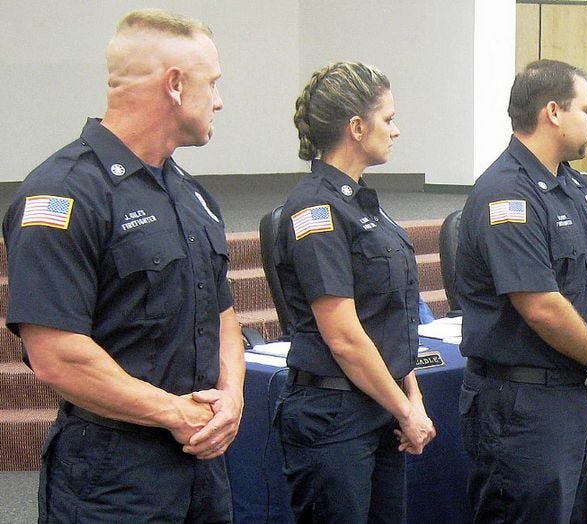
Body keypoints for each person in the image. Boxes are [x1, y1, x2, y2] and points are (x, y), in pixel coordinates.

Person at [2, 9, 243, 521]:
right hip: (113, 476)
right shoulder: (64, 192)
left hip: (202, 461)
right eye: (213, 83)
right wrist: (175, 412)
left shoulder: (189, 194)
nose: (219, 100)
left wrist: (233, 396)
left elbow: (221, 312)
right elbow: (56, 356)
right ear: (175, 85)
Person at [457, 59, 587, 523]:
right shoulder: (507, 195)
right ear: (553, 112)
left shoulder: (577, 187)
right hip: (524, 406)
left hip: (581, 395)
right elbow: (540, 307)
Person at [273, 61, 436, 522]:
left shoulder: (360, 202)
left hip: (376, 405)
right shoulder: (316, 209)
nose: (396, 130)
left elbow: (386, 320)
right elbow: (343, 335)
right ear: (357, 127)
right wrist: (405, 410)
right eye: (388, 119)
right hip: (333, 415)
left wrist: (412, 401)